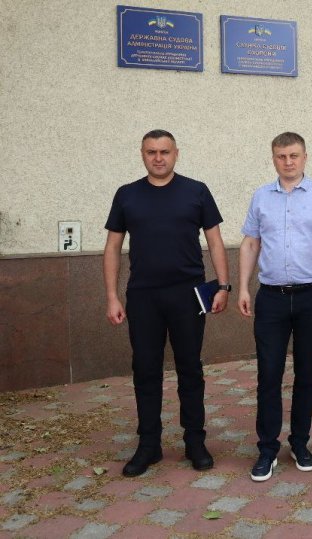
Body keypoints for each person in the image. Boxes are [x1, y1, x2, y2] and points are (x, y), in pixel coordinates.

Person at [104, 129, 230, 477]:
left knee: (190, 368)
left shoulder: (196, 191)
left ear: (176, 153)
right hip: (143, 296)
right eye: (151, 152)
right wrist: (112, 296)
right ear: (142, 154)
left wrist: (223, 285)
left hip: (187, 295)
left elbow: (215, 241)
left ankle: (195, 441)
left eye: (164, 151)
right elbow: (113, 247)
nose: (158, 158)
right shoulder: (127, 195)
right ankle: (149, 444)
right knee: (145, 370)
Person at [238, 132, 312, 482]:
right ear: (273, 158)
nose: (288, 162)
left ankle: (300, 442)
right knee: (268, 373)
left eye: (294, 155)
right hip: (270, 297)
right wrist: (243, 287)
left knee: (307, 372)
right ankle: (267, 449)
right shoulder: (261, 196)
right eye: (281, 156)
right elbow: (250, 243)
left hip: (311, 297)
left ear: (305, 157)